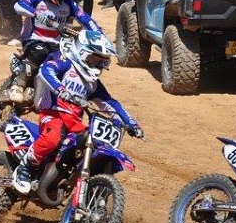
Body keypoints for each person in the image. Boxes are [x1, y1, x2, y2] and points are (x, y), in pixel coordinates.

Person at [12, 30, 143, 194]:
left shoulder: (93, 84)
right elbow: (47, 70)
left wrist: (131, 123)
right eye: (95, 58)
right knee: (52, 138)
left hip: (74, 123)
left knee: (94, 142)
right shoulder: (65, 63)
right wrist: (60, 90)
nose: (98, 64)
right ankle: (25, 167)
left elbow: (110, 103)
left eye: (102, 61)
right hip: (53, 114)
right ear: (82, 51)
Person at [6, 0, 103, 104]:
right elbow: (19, 5)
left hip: (58, 43)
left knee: (70, 61)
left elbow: (85, 18)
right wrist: (36, 14)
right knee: (40, 52)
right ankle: (18, 83)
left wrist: (98, 33)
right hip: (34, 39)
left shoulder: (68, 3)